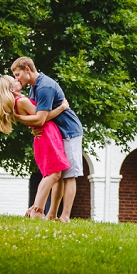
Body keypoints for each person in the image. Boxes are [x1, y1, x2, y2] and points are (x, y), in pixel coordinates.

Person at [11, 57, 84, 223]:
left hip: (69, 130)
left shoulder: (45, 86)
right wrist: (33, 128)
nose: (17, 79)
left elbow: (41, 118)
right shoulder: (33, 88)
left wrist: (20, 118)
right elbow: (36, 117)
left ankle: (65, 216)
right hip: (57, 133)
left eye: (17, 74)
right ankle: (52, 214)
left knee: (70, 175)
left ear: (27, 69)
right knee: (58, 172)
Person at [0, 75, 70, 218]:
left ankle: (37, 209)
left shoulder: (17, 101)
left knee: (52, 174)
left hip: (43, 136)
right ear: (10, 88)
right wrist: (62, 107)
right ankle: (37, 210)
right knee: (54, 174)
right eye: (14, 80)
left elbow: (34, 119)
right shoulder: (21, 101)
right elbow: (42, 117)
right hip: (47, 135)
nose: (18, 80)